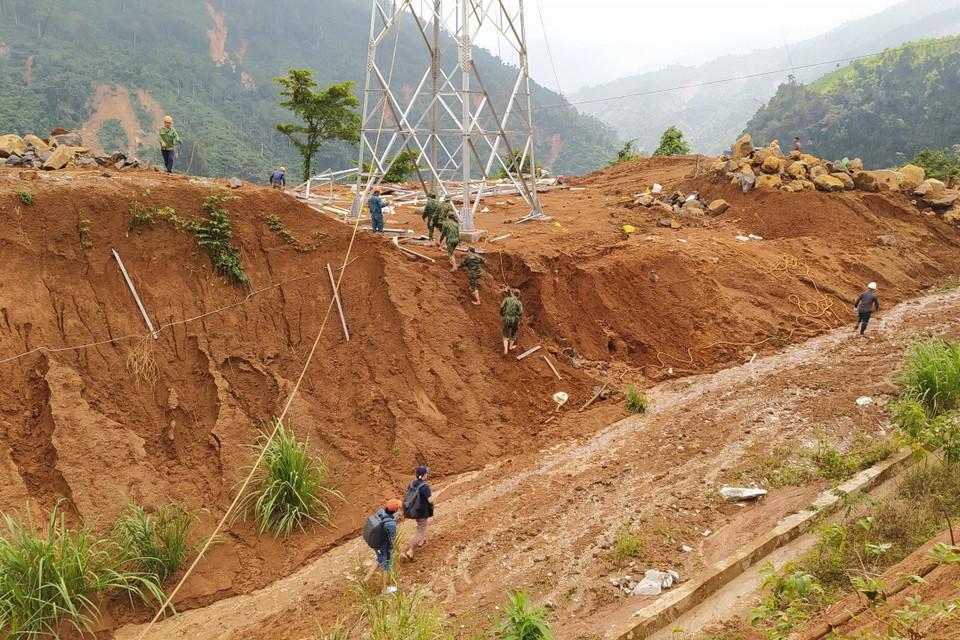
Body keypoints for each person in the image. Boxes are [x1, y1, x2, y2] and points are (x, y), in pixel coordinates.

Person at [365, 498, 401, 594]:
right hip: (383, 546)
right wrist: (397, 549)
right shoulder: (391, 524)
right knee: (387, 566)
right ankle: (385, 588)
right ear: (395, 510)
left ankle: (367, 578)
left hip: (376, 543)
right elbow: (393, 540)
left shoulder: (380, 512)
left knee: (379, 558)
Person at [404, 465, 435, 561]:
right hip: (422, 511)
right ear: (424, 475)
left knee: (420, 525)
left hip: (413, 510)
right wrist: (434, 501)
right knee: (421, 531)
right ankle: (411, 550)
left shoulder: (411, 483)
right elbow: (430, 500)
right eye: (426, 473)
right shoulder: (425, 486)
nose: (428, 474)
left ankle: (421, 541)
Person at [500, 288, 524, 354]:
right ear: (518, 296)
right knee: (513, 333)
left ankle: (505, 350)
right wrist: (517, 316)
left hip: (507, 317)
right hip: (515, 319)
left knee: (505, 333)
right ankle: (510, 346)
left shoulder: (506, 299)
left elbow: (501, 307)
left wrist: (502, 314)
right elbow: (521, 312)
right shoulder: (519, 303)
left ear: (512, 293)